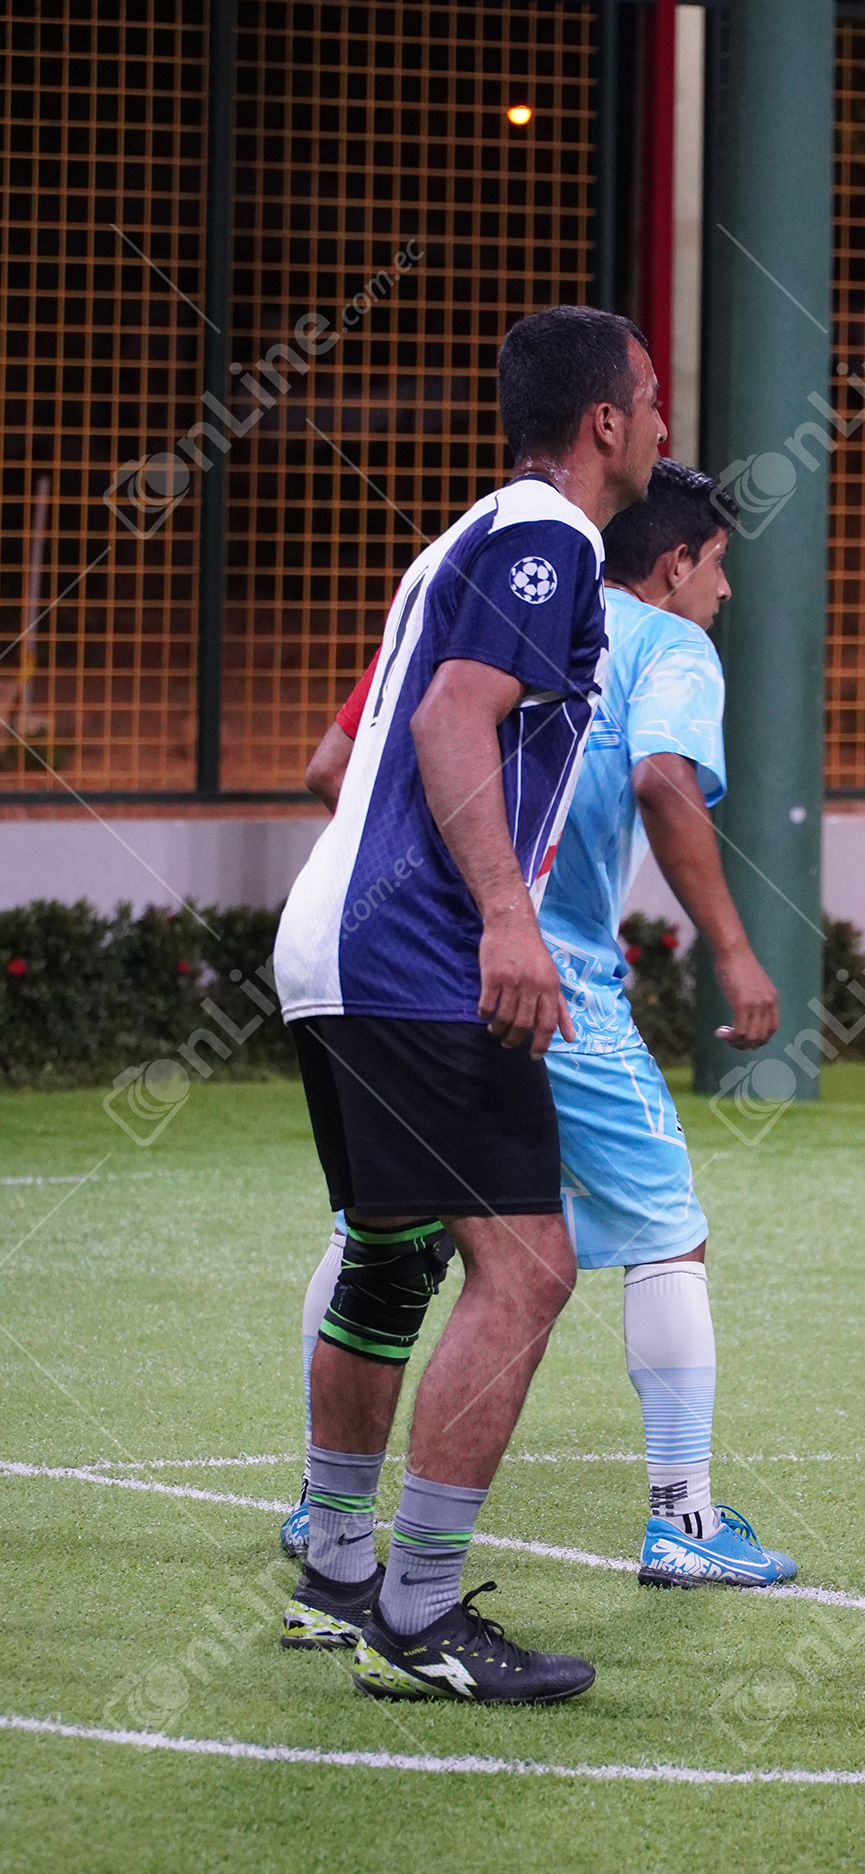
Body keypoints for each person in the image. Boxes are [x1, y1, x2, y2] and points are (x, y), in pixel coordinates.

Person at [280, 459, 797, 1616]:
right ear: (676, 562)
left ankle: (328, 1516)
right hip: (552, 987)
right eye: (720, 566)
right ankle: (683, 1520)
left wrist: (416, 883)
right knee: (661, 1231)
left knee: (381, 1235)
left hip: (410, 972)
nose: (725, 591)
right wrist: (733, 949)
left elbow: (334, 766)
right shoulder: (662, 642)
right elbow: (663, 779)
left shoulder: (468, 592)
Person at [272, 304, 665, 1706]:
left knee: (391, 1258)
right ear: (605, 420)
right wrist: (505, 912)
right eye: (652, 399)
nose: (663, 424)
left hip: (331, 945)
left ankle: (336, 1571)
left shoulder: (467, 535)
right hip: (415, 958)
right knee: (531, 1269)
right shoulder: (552, 536)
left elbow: (350, 758)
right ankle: (421, 1613)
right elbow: (451, 718)